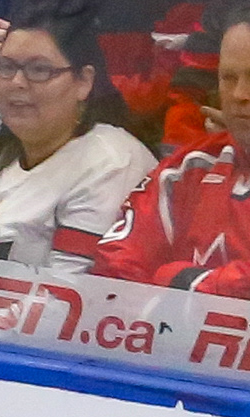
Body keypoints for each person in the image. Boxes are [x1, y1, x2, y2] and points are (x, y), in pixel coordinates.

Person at [0, 5, 159, 281]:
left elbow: (67, 294)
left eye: (39, 70)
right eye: (6, 67)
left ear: (84, 82)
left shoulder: (114, 163)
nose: (17, 82)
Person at [89, 4, 250, 290]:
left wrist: (177, 279)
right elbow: (113, 272)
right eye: (228, 78)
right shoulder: (189, 167)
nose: (239, 94)